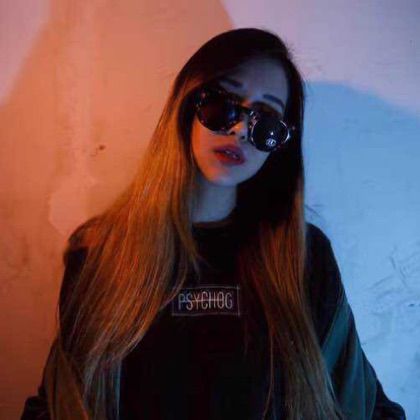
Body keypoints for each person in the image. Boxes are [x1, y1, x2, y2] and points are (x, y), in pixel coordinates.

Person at [21, 28, 406, 420]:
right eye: (223, 104)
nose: (240, 130)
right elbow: (56, 405)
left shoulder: (303, 258)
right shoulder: (102, 254)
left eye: (266, 122)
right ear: (188, 105)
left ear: (280, 143)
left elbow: (369, 406)